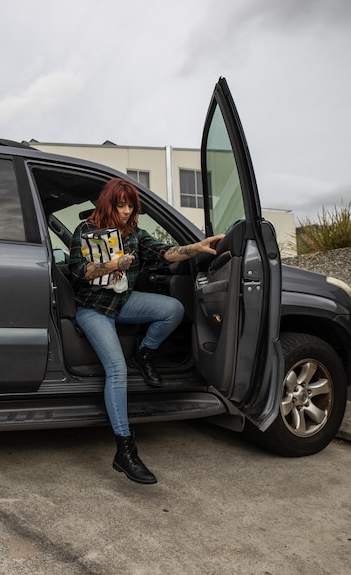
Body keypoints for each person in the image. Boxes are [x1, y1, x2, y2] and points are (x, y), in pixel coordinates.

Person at [68, 178, 224, 485]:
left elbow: (164, 253)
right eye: (120, 205)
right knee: (116, 370)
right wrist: (110, 266)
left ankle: (145, 351)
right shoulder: (86, 231)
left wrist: (196, 247)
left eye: (130, 206)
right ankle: (125, 450)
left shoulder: (134, 234)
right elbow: (77, 271)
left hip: (124, 301)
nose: (126, 211)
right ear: (107, 204)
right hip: (94, 308)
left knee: (173, 309)